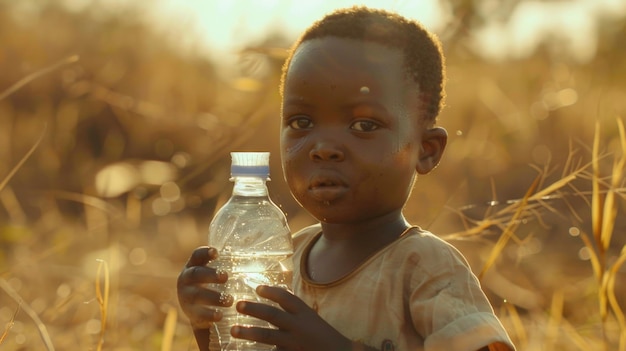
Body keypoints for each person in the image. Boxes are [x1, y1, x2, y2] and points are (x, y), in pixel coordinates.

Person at [177, 6, 516, 351]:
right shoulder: (282, 259)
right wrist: (208, 325)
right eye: (301, 123)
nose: (323, 147)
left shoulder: (423, 266)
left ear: (425, 150)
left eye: (364, 125)